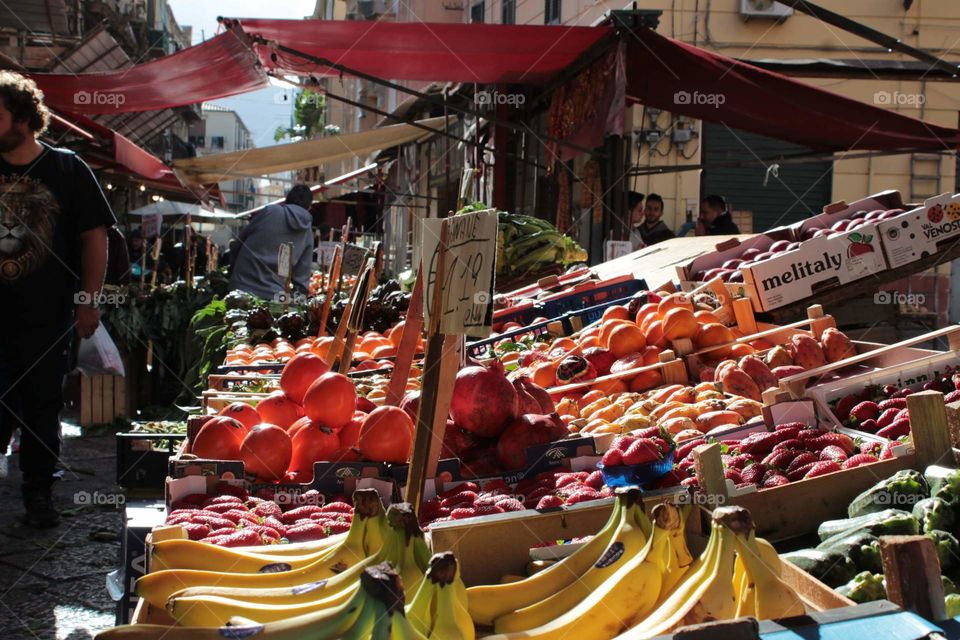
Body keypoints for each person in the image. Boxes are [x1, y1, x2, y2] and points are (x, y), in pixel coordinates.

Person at [0, 71, 115, 527]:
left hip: (46, 318)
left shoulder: (67, 169)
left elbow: (94, 238)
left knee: (42, 410)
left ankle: (38, 495)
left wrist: (88, 301)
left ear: (25, 119)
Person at [229, 184, 315, 301]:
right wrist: (292, 305)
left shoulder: (270, 211)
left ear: (286, 200)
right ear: (309, 207)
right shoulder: (307, 233)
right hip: (274, 296)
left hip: (241, 287)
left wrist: (231, 271)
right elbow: (302, 279)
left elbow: (239, 242)